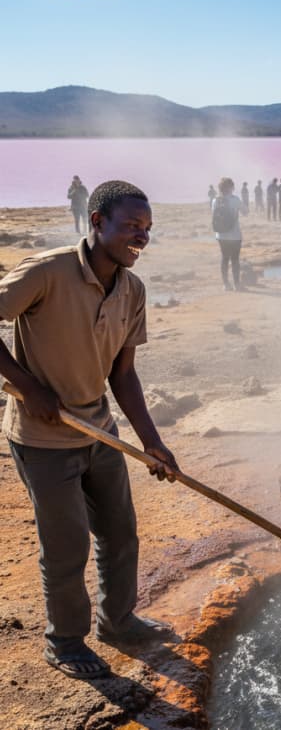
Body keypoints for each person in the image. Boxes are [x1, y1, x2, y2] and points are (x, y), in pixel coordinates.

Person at [0, 180, 179, 680]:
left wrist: (153, 442)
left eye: (146, 229)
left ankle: (118, 622)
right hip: (42, 439)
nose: (140, 237)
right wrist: (26, 385)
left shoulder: (132, 289)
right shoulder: (47, 271)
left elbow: (123, 374)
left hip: (98, 429)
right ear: (96, 221)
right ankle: (64, 641)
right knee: (67, 543)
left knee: (120, 533)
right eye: (130, 226)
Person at [212, 177, 248, 291]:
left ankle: (226, 284)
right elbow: (245, 212)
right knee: (235, 259)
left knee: (224, 258)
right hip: (234, 235)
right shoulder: (235, 199)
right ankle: (237, 284)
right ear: (230, 187)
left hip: (221, 235)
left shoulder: (215, 200)